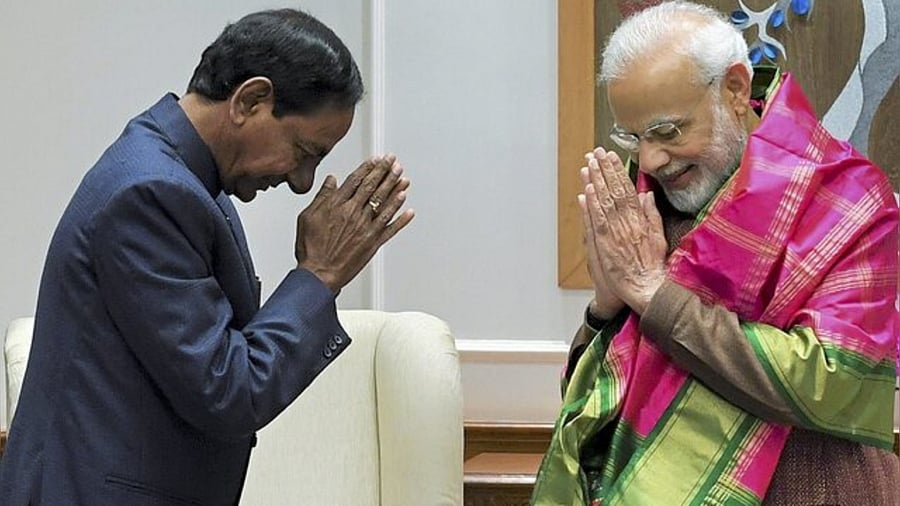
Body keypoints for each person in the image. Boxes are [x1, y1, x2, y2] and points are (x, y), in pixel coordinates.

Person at [0, 9, 414, 505]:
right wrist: (319, 275)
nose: (302, 181)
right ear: (250, 100)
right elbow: (226, 391)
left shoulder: (181, 176)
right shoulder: (151, 193)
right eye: (304, 151)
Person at [533, 2, 899, 505]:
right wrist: (604, 308)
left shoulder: (850, 202)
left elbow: (829, 382)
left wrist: (654, 294)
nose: (650, 159)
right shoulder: (640, 204)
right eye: (633, 137)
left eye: (668, 131)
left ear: (734, 90)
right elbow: (598, 398)